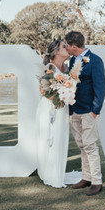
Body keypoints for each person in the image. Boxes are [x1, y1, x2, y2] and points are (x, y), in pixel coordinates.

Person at [65, 31, 105, 196]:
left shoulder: (95, 61)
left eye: (67, 45)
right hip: (74, 110)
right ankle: (86, 178)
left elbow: (101, 88)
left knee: (90, 146)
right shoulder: (71, 60)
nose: (66, 48)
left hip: (88, 112)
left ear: (74, 46)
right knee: (82, 146)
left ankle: (97, 181)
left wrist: (94, 111)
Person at [36, 39, 71, 188]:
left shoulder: (67, 68)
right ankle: (48, 173)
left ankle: (58, 172)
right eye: (64, 46)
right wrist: (58, 98)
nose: (67, 48)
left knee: (60, 137)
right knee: (49, 139)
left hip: (62, 108)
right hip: (49, 108)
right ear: (56, 51)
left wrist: (68, 94)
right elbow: (43, 90)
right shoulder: (49, 68)